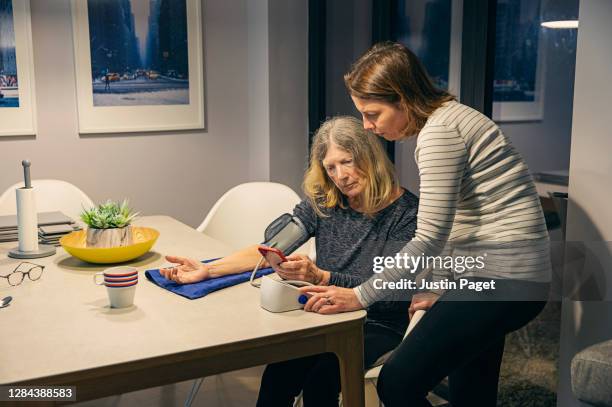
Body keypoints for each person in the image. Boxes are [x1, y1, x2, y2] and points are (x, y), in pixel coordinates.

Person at [299, 42, 552, 407]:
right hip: (512, 276)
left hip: (500, 278)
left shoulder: (439, 134)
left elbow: (429, 237)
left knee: (397, 383)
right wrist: (438, 285)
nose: (368, 127)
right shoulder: (457, 117)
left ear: (402, 97)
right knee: (473, 395)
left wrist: (359, 295)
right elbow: (459, 223)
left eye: (373, 114)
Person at [160, 116, 419, 406]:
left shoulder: (406, 214)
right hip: (322, 314)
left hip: (379, 323)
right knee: (279, 371)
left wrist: (321, 277)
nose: (340, 176)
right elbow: (270, 248)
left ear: (369, 156)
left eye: (346, 162)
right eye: (330, 167)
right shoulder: (326, 199)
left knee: (321, 378)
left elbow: (390, 294)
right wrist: (209, 269)